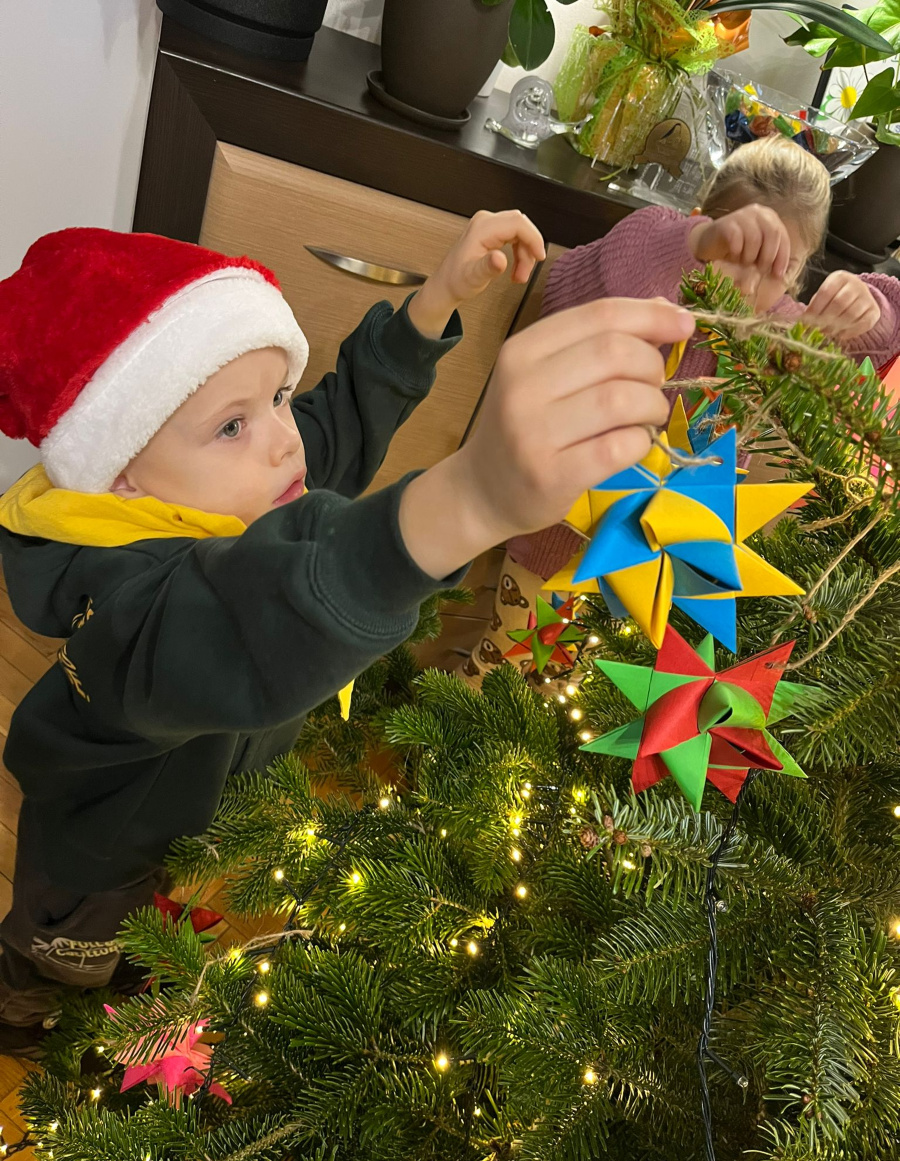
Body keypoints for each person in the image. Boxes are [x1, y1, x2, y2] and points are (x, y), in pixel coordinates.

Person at [0, 214, 694, 1055]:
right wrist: (466, 500)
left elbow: (333, 430)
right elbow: (247, 621)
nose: (283, 439)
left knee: (160, 957)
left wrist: (431, 306)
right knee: (65, 974)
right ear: (124, 476)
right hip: (100, 866)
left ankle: (136, 1001)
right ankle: (27, 1013)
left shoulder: (241, 484)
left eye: (277, 398)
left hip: (206, 820)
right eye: (233, 425)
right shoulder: (127, 612)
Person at [460, 137, 900, 686]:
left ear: (797, 277)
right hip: (553, 544)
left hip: (661, 576)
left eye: (775, 268)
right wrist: (700, 244)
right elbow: (613, 263)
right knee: (500, 676)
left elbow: (875, 344)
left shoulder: (780, 330)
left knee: (576, 708)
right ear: (697, 220)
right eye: (736, 253)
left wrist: (865, 305)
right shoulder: (651, 266)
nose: (742, 283)